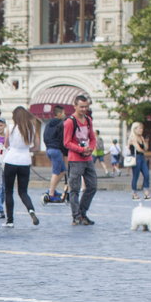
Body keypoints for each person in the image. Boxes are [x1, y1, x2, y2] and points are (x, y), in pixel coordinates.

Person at [1, 106, 41, 227]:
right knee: (23, 191)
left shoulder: (11, 128)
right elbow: (37, 147)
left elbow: (6, 144)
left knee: (8, 191)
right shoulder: (32, 129)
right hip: (25, 161)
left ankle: (10, 220)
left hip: (11, 160)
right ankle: (31, 210)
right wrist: (27, 149)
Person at [63, 94, 98, 226]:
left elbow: (92, 137)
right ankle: (76, 216)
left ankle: (83, 213)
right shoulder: (70, 122)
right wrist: (81, 149)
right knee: (75, 189)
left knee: (92, 186)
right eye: (81, 107)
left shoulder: (88, 120)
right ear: (75, 106)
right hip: (76, 159)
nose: (84, 109)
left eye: (86, 107)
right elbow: (66, 142)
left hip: (87, 158)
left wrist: (91, 148)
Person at [43, 105, 69, 203]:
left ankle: (52, 190)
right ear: (59, 114)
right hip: (56, 150)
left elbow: (45, 137)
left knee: (62, 170)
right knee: (57, 171)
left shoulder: (48, 124)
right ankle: (51, 193)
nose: (65, 115)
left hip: (49, 149)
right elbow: (63, 139)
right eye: (63, 113)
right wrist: (65, 152)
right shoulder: (62, 124)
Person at [128, 122, 151, 200]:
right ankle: (134, 192)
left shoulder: (141, 137)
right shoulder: (132, 137)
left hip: (142, 157)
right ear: (135, 129)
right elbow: (138, 148)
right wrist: (144, 151)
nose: (141, 130)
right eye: (140, 128)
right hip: (136, 158)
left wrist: (146, 142)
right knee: (136, 175)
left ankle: (146, 192)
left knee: (146, 174)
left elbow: (146, 148)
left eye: (142, 128)